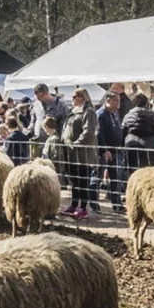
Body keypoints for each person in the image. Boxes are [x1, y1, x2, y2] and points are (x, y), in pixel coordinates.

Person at [61, 88, 99, 219]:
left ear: (83, 97)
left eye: (75, 97)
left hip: (82, 154)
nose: (73, 99)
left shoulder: (88, 112)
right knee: (75, 181)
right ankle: (74, 204)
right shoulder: (73, 112)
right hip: (71, 153)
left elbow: (89, 131)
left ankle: (83, 208)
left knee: (83, 181)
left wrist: (76, 144)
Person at [94, 90, 125, 213]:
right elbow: (99, 133)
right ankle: (94, 204)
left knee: (116, 177)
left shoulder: (115, 113)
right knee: (98, 177)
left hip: (116, 150)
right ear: (108, 101)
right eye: (115, 101)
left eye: (119, 101)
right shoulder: (101, 114)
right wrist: (104, 149)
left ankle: (117, 204)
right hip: (104, 151)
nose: (118, 103)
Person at [123, 93, 154, 170]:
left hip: (131, 144)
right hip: (151, 146)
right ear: (147, 103)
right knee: (151, 170)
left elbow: (123, 132)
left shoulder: (128, 116)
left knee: (133, 170)